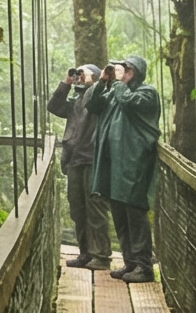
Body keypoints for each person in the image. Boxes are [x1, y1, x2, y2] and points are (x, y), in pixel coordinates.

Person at [89, 55, 161, 281]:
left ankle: (144, 267)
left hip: (134, 166)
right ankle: (130, 263)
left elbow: (131, 103)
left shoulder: (147, 93)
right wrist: (102, 82)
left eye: (126, 68)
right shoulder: (115, 92)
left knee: (135, 215)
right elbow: (93, 105)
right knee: (119, 215)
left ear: (136, 72)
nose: (121, 72)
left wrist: (118, 83)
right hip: (114, 167)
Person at [48, 64, 109, 268]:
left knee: (95, 208)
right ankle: (85, 253)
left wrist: (96, 79)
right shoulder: (75, 102)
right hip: (74, 160)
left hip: (92, 159)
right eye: (78, 73)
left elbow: (95, 96)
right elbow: (54, 106)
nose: (79, 76)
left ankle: (100, 256)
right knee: (77, 209)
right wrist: (67, 82)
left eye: (83, 73)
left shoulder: (97, 98)